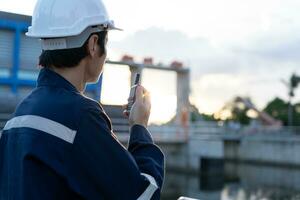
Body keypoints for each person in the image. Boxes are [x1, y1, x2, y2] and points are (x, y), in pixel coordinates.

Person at [0, 0, 165, 199]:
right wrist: (140, 127)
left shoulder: (19, 116)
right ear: (93, 44)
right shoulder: (81, 118)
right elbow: (143, 195)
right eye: (107, 42)